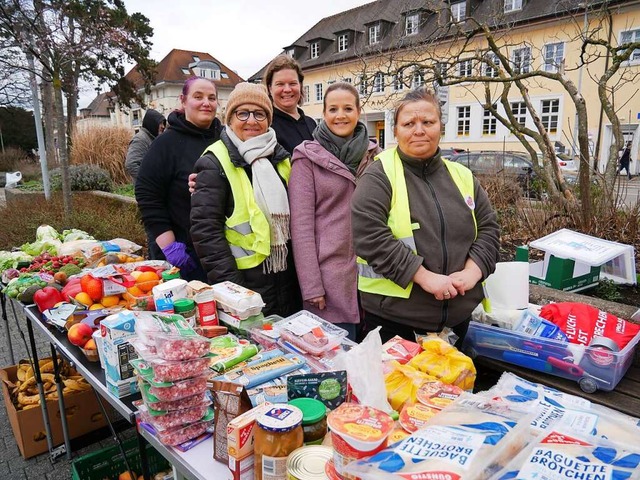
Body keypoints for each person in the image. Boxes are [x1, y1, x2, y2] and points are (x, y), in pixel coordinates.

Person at [351, 88, 500, 345]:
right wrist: (426, 278)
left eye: (428, 122)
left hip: (458, 320)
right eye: (409, 123)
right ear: (395, 131)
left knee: (452, 386)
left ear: (440, 127)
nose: (419, 130)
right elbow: (369, 236)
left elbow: (489, 229)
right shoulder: (379, 176)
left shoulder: (462, 176)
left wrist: (472, 273)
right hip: (395, 323)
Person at [190, 83, 301, 317]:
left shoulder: (281, 158)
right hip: (244, 286)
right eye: (243, 113)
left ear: (269, 119)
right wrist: (234, 292)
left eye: (259, 113)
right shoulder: (214, 161)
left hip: (285, 281)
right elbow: (206, 233)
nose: (252, 121)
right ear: (230, 119)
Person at [289, 82, 380, 340]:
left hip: (373, 280)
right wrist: (311, 286)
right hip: (329, 282)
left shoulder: (375, 156)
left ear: (359, 112)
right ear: (324, 114)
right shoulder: (306, 159)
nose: (341, 115)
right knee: (336, 366)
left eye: (348, 108)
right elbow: (302, 227)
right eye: (333, 109)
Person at [135, 77, 221, 282]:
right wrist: (170, 246)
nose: (206, 103)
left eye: (212, 97)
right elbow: (147, 195)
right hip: (182, 252)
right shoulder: (166, 144)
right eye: (198, 97)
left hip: (219, 252)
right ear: (183, 101)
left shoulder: (224, 139)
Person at [263, 54, 316, 154]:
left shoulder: (311, 124)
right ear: (270, 88)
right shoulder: (266, 127)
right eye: (280, 84)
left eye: (292, 83)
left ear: (300, 85)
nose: (287, 89)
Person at [125, 109, 166, 184]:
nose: (163, 126)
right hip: (146, 190)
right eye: (160, 123)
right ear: (152, 123)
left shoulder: (152, 138)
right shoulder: (140, 139)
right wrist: (150, 181)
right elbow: (131, 165)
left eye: (163, 123)